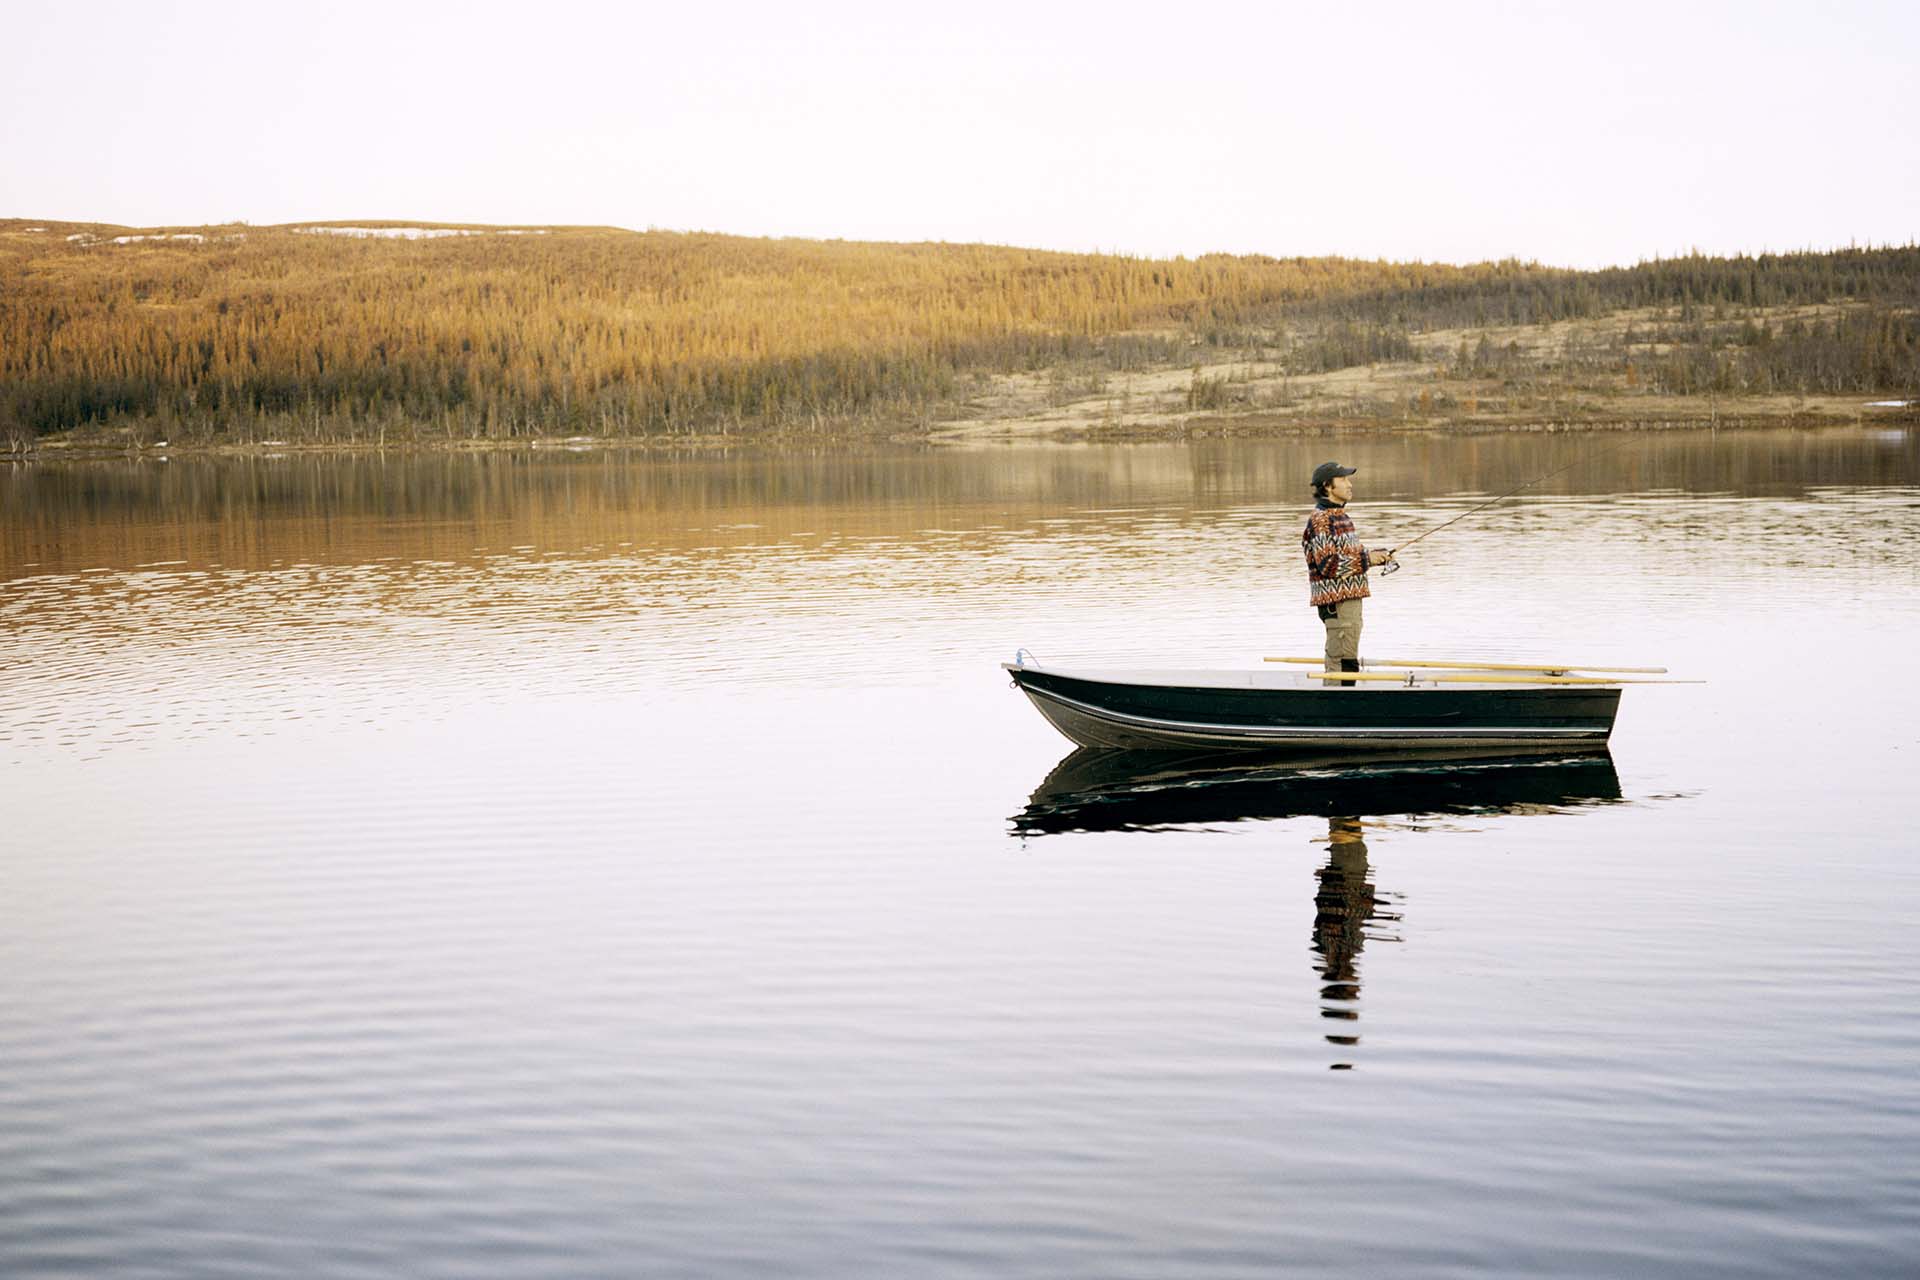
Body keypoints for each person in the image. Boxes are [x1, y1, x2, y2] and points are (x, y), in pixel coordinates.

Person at [1301, 461, 1393, 685]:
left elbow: (1348, 557)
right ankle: (1336, 709)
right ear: (1327, 486)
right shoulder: (1321, 520)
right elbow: (1328, 565)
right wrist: (1367, 559)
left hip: (1349, 601)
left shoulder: (1340, 516)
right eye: (1343, 480)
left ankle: (1344, 705)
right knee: (1341, 662)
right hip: (1338, 604)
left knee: (1347, 660)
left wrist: (1374, 556)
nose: (1349, 484)